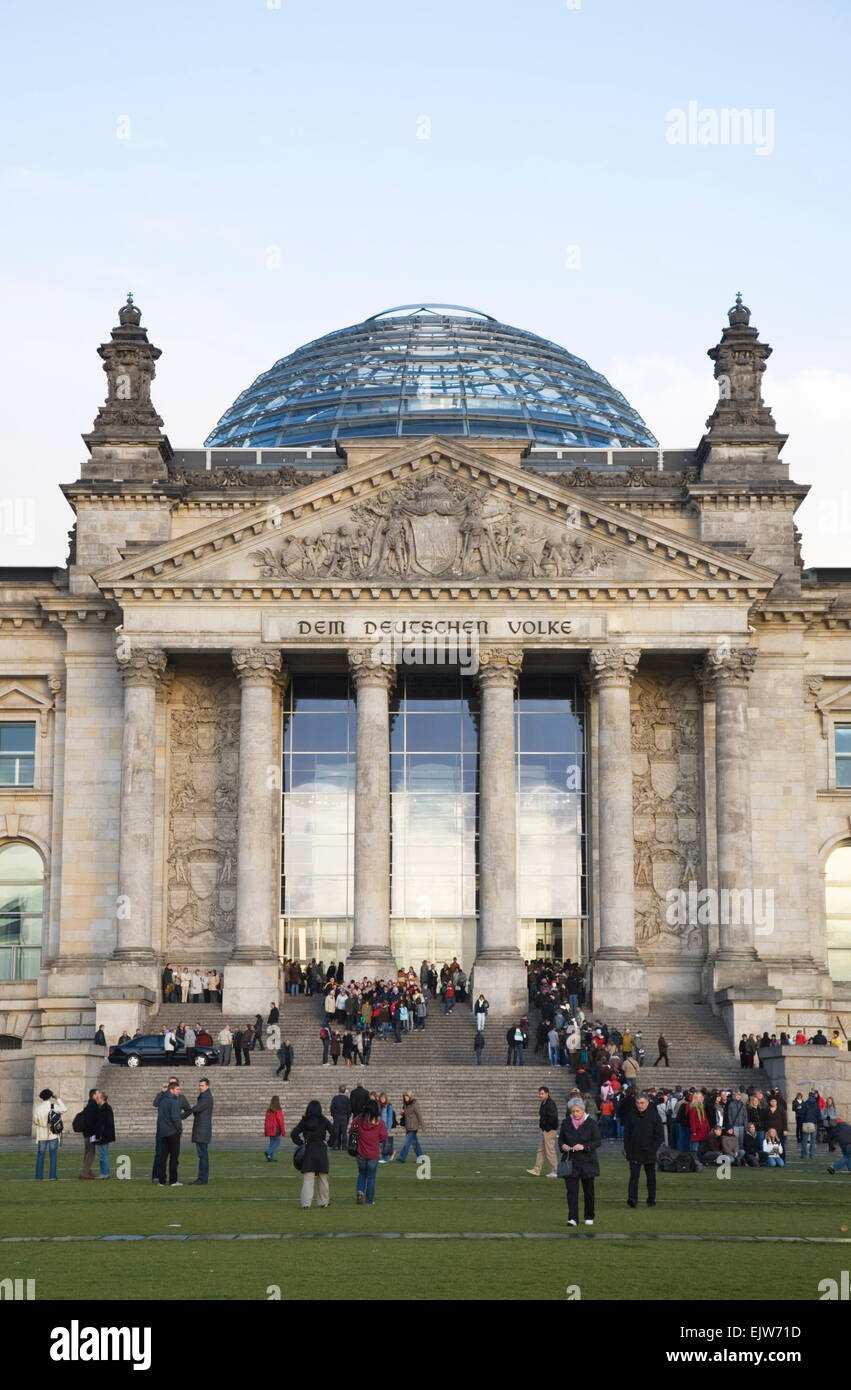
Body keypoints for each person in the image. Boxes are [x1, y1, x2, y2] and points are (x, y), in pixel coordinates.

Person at [558, 1097, 601, 1227]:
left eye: (577, 1111)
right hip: (570, 1161)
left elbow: (597, 1141)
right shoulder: (566, 1123)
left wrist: (584, 1146)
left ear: (583, 1110)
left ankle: (589, 1215)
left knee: (588, 1191)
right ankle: (572, 1218)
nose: (575, 1113)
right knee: (571, 1191)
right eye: (573, 1111)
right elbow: (560, 1140)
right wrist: (563, 1146)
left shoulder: (592, 1123)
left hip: (588, 1161)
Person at [624, 1092, 663, 1207]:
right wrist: (627, 1148)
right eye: (638, 1103)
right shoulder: (631, 1115)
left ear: (647, 1103)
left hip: (649, 1152)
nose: (640, 1105)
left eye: (642, 1103)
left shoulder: (654, 1116)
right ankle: (632, 1199)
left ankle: (651, 1200)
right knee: (634, 1177)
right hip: (634, 1151)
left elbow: (659, 1135)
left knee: (651, 1178)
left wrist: (653, 1148)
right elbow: (627, 1134)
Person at [291, 1100, 333, 1209]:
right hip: (321, 1150)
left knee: (308, 1180)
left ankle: (306, 1204)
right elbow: (335, 1131)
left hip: (309, 1150)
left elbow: (294, 1134)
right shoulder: (323, 1120)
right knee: (323, 1178)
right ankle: (324, 1202)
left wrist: (301, 1143)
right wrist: (329, 1142)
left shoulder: (305, 1121)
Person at [154, 1080, 192, 1187]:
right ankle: (173, 1180)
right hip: (173, 1133)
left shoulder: (163, 1101)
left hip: (163, 1132)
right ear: (171, 1090)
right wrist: (179, 1129)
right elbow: (175, 1118)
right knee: (174, 1158)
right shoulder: (174, 1101)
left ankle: (161, 1181)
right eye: (177, 1089)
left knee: (163, 1157)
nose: (179, 1091)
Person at [352, 1098, 388, 1205]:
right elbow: (383, 1136)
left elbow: (351, 1130)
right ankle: (369, 1200)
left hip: (360, 1152)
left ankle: (360, 1191)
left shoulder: (359, 1119)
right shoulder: (379, 1122)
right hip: (373, 1153)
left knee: (362, 1174)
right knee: (371, 1177)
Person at [33, 1088, 66, 1181]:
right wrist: (58, 1099)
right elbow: (64, 1109)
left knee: (40, 1156)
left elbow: (35, 1121)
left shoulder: (37, 1108)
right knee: (53, 1156)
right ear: (50, 1097)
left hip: (42, 1134)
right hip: (53, 1134)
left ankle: (39, 1177)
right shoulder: (54, 1106)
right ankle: (52, 1176)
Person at [527, 1086, 559, 1177]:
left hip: (549, 1130)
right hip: (545, 1130)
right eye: (540, 1094)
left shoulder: (550, 1104)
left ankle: (556, 1170)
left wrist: (547, 1128)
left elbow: (553, 1118)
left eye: (542, 1094)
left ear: (547, 1093)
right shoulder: (544, 1103)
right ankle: (537, 1169)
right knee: (541, 1150)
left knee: (549, 1151)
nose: (540, 1095)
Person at [189, 1077, 213, 1185]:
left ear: (207, 1086)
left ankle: (202, 1178)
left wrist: (185, 1113)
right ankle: (202, 1177)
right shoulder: (205, 1096)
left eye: (202, 1085)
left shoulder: (206, 1097)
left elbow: (197, 1109)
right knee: (202, 1154)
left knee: (202, 1155)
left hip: (202, 1130)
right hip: (202, 1129)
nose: (200, 1087)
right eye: (200, 1085)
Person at [396, 1092, 425, 1164]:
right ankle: (421, 1158)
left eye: (407, 1096)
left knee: (407, 1143)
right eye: (405, 1096)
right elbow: (406, 1115)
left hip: (413, 1127)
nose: (405, 1098)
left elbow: (419, 1114)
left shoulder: (414, 1104)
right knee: (415, 1144)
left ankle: (402, 1158)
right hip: (408, 1127)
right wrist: (402, 1113)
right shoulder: (405, 1105)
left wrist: (423, 1125)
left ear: (410, 1097)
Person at [79, 1088, 101, 1179]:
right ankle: (85, 1172)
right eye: (98, 1093)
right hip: (91, 1134)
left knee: (88, 1152)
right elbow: (92, 1121)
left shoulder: (89, 1105)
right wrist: (95, 1134)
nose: (99, 1095)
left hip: (87, 1133)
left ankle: (87, 1170)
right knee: (91, 1152)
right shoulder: (93, 1106)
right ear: (94, 1095)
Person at [264, 1095, 286, 1162]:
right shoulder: (278, 1110)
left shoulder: (269, 1110)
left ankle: (270, 1158)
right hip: (276, 1128)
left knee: (271, 1143)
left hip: (270, 1129)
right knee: (277, 1142)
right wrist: (283, 1130)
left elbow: (266, 1121)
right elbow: (280, 1120)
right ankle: (268, 1152)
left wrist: (266, 1130)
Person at [800, 1090, 821, 1158]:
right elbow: (819, 1114)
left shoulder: (805, 1103)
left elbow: (802, 1114)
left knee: (804, 1140)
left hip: (806, 1122)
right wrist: (818, 1121)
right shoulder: (817, 1104)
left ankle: (804, 1154)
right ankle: (812, 1155)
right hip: (814, 1123)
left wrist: (802, 1121)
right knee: (813, 1140)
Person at [329, 1086, 350, 1151]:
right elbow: (349, 1109)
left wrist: (333, 1115)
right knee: (344, 1132)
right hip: (344, 1116)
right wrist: (347, 1116)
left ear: (339, 1090)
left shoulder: (335, 1098)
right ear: (344, 1091)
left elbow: (332, 1107)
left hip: (337, 1116)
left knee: (336, 1131)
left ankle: (335, 1146)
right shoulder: (347, 1099)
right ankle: (344, 1146)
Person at [378, 1093, 396, 1162]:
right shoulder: (378, 1105)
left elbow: (390, 1118)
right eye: (381, 1098)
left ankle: (384, 1158)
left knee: (383, 1143)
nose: (382, 1099)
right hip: (378, 1126)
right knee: (379, 1143)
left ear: (386, 1099)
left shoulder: (388, 1106)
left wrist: (388, 1129)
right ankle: (391, 1152)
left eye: (383, 1098)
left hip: (385, 1127)